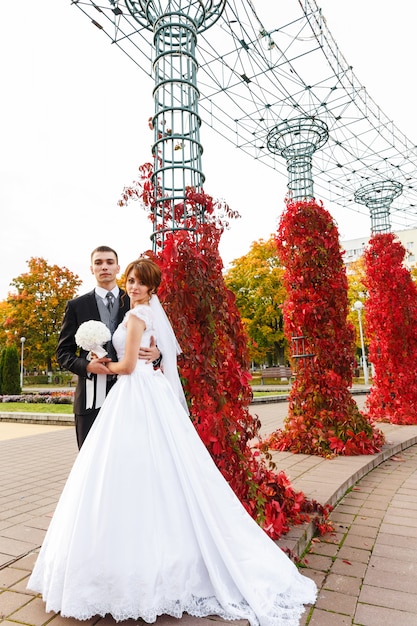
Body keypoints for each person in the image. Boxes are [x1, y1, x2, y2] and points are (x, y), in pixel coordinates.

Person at [29, 258, 317, 625]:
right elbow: (147, 349)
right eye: (130, 280)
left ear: (151, 288)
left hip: (132, 392)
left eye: (139, 282)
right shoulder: (136, 311)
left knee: (129, 472)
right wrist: (136, 355)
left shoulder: (135, 314)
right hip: (144, 393)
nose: (133, 286)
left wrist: (105, 364)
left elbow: (129, 365)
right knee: (152, 470)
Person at [56, 246, 161, 448]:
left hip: (130, 397)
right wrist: (87, 366)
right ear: (91, 269)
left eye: (109, 262)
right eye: (98, 263)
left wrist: (156, 354)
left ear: (117, 267)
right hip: (90, 400)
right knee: (91, 464)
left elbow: (154, 341)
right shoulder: (76, 306)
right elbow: (63, 352)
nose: (104, 267)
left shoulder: (135, 300)